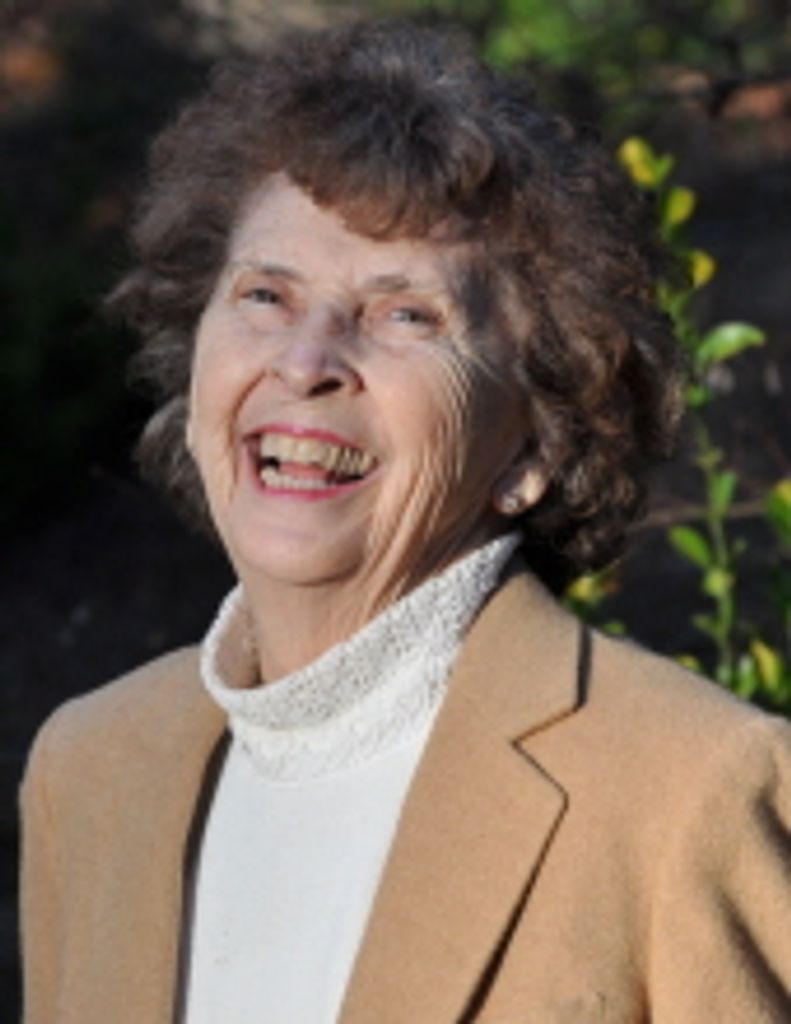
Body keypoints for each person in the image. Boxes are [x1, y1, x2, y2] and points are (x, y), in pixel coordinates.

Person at [20, 18, 791, 1024]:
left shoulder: (692, 790)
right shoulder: (88, 771)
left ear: (534, 445)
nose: (305, 361)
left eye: (404, 315)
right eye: (266, 294)